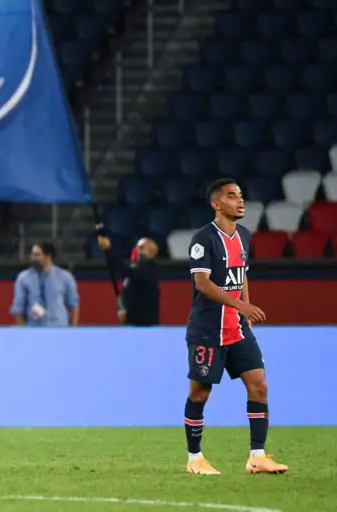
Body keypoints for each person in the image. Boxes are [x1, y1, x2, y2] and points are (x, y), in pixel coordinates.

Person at [184, 178, 288, 475]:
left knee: (259, 385)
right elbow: (202, 283)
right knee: (200, 393)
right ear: (216, 203)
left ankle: (257, 456)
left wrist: (246, 311)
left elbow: (241, 275)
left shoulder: (243, 235)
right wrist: (240, 306)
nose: (240, 200)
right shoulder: (203, 239)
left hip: (238, 329)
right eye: (232, 196)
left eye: (241, 195)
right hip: (207, 330)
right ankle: (195, 459)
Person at [10, 242, 79, 326]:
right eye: (32, 254)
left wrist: (73, 330)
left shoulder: (65, 277)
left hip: (59, 328)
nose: (32, 258)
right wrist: (24, 331)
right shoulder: (23, 278)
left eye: (37, 255)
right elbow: (18, 309)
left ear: (48, 257)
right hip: (34, 329)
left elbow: (73, 305)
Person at [97, 236, 160, 326]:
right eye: (136, 247)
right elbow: (126, 292)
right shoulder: (135, 268)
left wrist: (108, 249)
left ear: (151, 252)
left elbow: (123, 270)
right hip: (131, 321)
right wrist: (122, 308)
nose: (137, 250)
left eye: (141, 247)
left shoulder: (150, 269)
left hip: (146, 323)